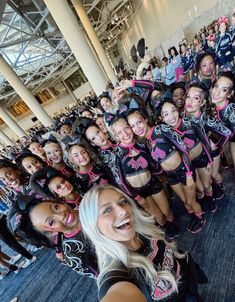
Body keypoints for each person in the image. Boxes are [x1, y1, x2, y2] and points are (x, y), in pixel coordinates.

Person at [79, 185, 208, 302]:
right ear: (93, 225)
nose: (123, 211)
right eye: (107, 210)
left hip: (189, 284)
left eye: (123, 202)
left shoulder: (142, 230)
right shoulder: (118, 276)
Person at [126, 108, 206, 234]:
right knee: (184, 201)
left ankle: (200, 217)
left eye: (139, 122)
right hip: (171, 176)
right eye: (133, 126)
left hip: (184, 171)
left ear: (145, 119)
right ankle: (193, 216)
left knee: (191, 200)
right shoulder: (146, 142)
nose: (137, 128)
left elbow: (183, 149)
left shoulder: (161, 129)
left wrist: (189, 174)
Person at [14, 199, 98, 278]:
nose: (61, 215)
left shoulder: (89, 203)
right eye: (51, 222)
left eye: (56, 207)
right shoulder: (73, 253)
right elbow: (104, 278)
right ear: (50, 232)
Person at [211, 71, 235, 171]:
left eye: (224, 90)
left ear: (230, 94)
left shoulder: (231, 111)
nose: (216, 92)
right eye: (216, 86)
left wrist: (216, 144)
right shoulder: (216, 103)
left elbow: (229, 133)